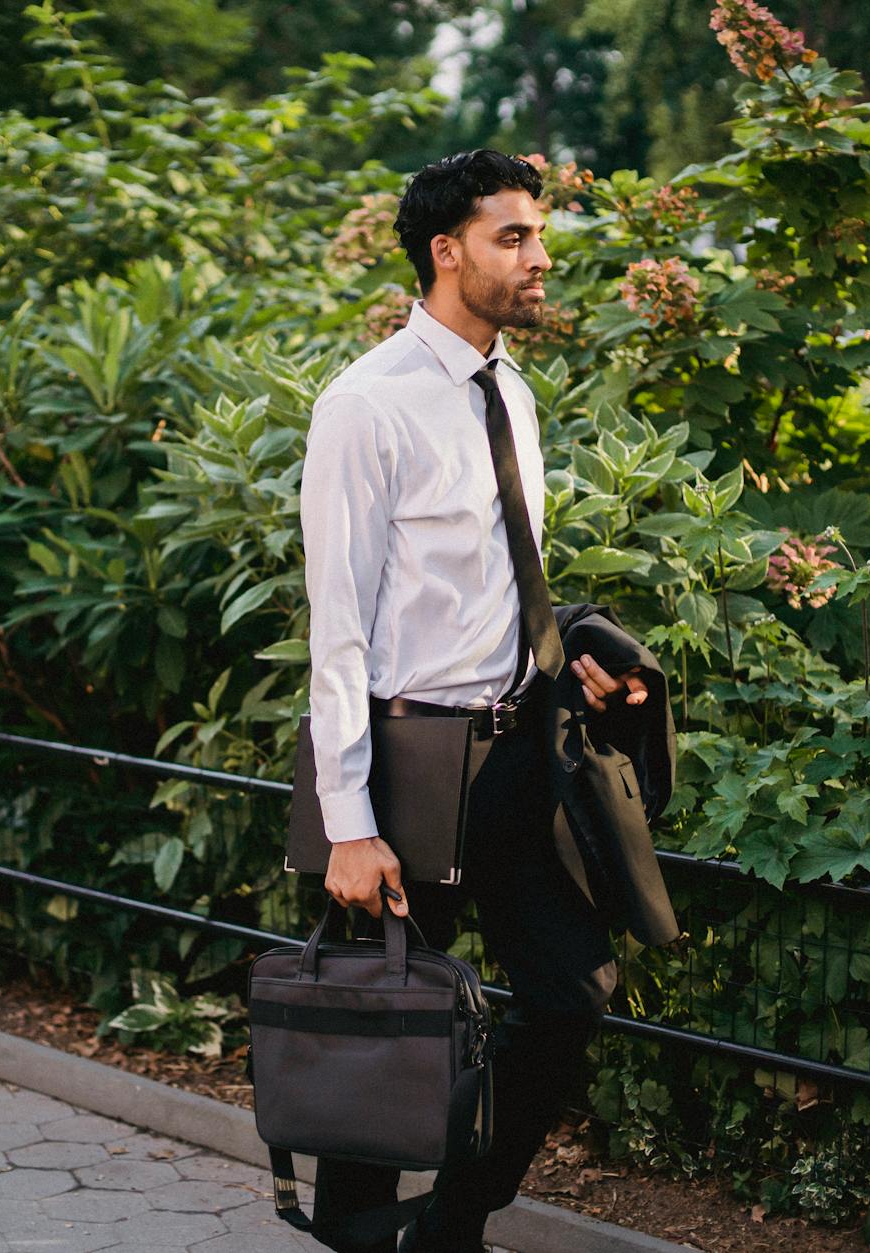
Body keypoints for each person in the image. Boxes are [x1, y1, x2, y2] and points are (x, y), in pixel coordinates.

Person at [299, 149, 651, 1253]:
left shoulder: (512, 390)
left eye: (537, 236)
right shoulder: (364, 407)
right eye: (514, 238)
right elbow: (340, 629)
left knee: (567, 996)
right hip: (406, 769)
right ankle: (362, 1235)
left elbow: (503, 574)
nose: (538, 257)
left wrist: (573, 652)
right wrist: (348, 825)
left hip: (513, 755)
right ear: (445, 252)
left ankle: (448, 1224)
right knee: (375, 1032)